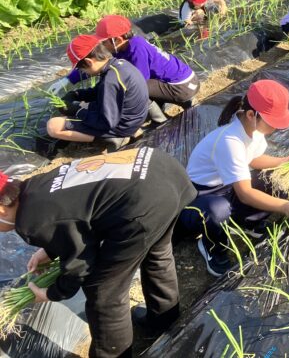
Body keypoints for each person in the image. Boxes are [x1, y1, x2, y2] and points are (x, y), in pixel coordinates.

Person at [0, 148, 196, 357]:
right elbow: (73, 219)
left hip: (144, 203)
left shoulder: (29, 221)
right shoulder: (33, 186)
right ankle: (164, 321)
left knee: (104, 292)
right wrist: (51, 249)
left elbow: (80, 265)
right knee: (157, 253)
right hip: (161, 170)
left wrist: (52, 293)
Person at [177, 80, 289, 277]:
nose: (276, 129)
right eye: (273, 123)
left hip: (227, 186)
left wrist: (284, 162)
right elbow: (246, 194)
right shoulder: (229, 141)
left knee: (275, 178)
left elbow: (254, 158)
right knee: (218, 210)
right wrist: (285, 206)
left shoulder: (253, 130)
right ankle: (211, 246)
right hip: (199, 197)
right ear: (251, 115)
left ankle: (249, 223)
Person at [49, 15, 199, 125]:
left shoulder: (136, 48)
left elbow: (139, 83)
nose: (101, 45)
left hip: (183, 86)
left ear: (117, 40)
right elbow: (92, 62)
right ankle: (158, 111)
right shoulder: (120, 47)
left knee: (132, 87)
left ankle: (160, 120)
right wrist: (68, 79)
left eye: (103, 41)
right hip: (173, 82)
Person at [46, 35, 150, 152]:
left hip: (122, 126)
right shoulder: (117, 65)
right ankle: (119, 133)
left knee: (53, 126)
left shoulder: (111, 81)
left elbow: (105, 122)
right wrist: (76, 94)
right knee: (82, 106)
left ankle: (112, 138)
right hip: (132, 118)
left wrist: (77, 111)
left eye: (81, 69)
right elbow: (99, 91)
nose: (82, 72)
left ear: (88, 62)